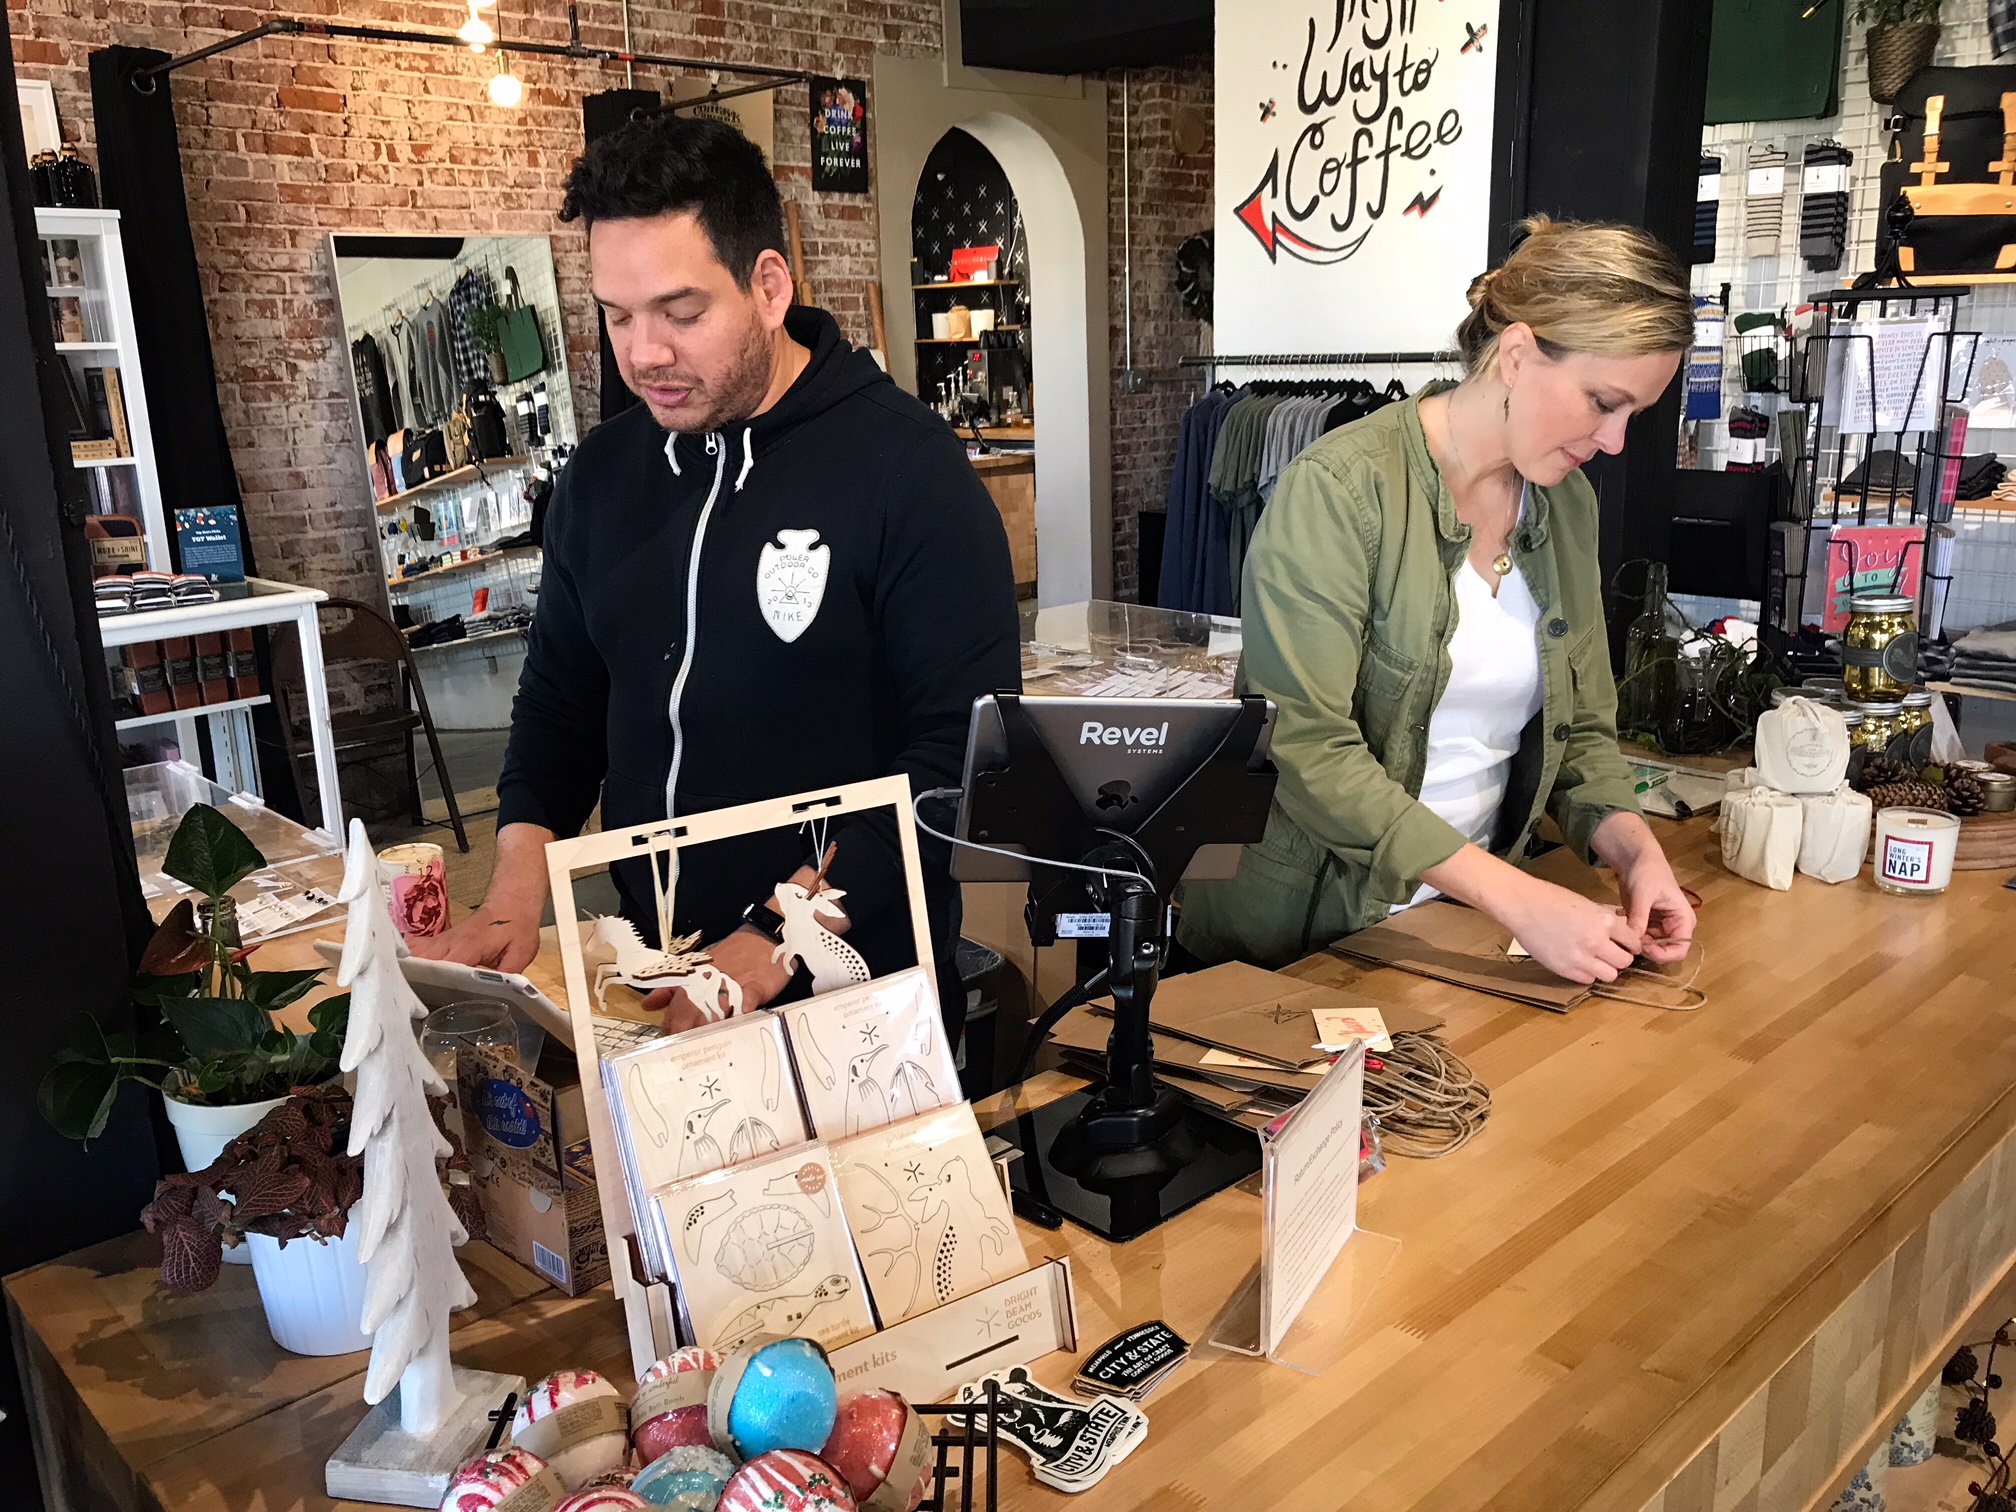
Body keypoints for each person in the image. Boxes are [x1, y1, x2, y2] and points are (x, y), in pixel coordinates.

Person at [415, 112, 1019, 1029]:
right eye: (617, 315)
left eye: (681, 313)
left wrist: (779, 939)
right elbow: (561, 708)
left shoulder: (909, 472)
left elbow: (955, 765)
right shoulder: (601, 479)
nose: (645, 353)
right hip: (650, 962)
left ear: (769, 286)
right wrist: (510, 897)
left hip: (853, 985)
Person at [1179, 217, 1696, 984]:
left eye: (1634, 415)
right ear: (1517, 355)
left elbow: (1582, 727)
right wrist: (1519, 900)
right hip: (1301, 947)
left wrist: (1635, 850)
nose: (1615, 441)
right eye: (1602, 402)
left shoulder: (1567, 506)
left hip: (1459, 935)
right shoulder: (1342, 489)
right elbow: (1309, 748)